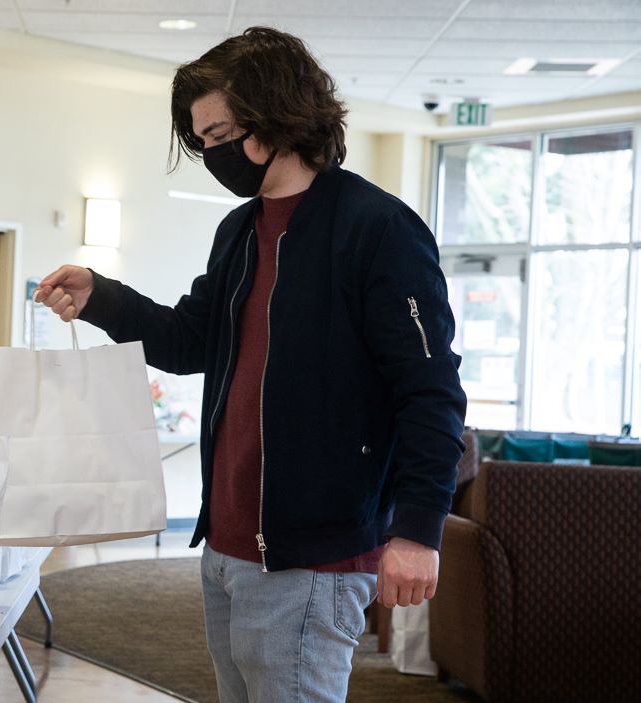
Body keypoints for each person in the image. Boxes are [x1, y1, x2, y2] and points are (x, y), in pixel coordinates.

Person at [35, 27, 467, 703]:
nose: (212, 152)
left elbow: (431, 391)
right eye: (201, 139)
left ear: (276, 116)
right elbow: (186, 339)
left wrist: (417, 530)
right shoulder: (238, 232)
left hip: (313, 555)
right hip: (228, 547)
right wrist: (102, 297)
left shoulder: (376, 229)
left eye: (220, 132)